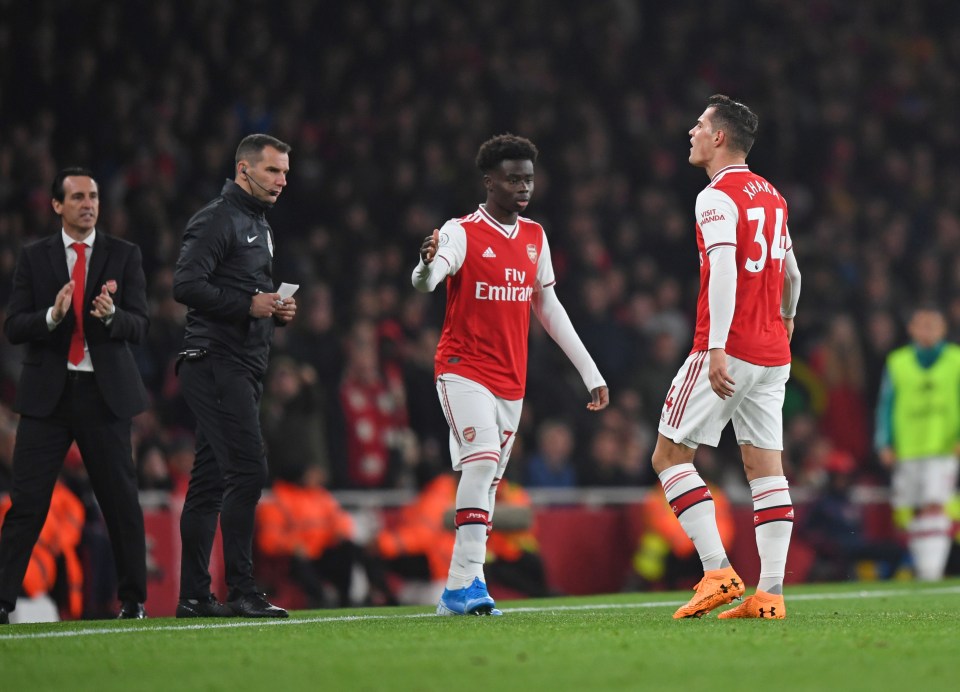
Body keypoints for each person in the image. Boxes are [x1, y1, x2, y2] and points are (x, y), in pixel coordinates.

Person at [412, 133, 609, 616]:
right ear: (489, 181)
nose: (523, 187)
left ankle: (466, 584)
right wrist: (424, 264)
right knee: (480, 463)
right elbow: (428, 281)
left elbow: (549, 308)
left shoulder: (535, 237)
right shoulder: (459, 231)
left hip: (510, 380)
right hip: (462, 369)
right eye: (513, 178)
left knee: (490, 481)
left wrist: (591, 372)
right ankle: (462, 587)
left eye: (529, 179)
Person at [650, 95, 802, 620]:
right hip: (772, 351)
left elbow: (724, 269)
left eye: (699, 125)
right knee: (766, 470)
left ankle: (717, 571)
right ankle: (772, 595)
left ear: (719, 137)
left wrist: (715, 346)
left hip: (730, 346)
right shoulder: (773, 195)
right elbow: (792, 272)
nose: (690, 132)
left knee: (669, 457)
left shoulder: (716, 197)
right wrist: (787, 316)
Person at [0, 167, 150, 624]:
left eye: (94, 196)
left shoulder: (124, 255)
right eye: (78, 196)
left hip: (103, 396)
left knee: (119, 499)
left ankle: (133, 601)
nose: (88, 203)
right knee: (27, 502)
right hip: (49, 397)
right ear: (57, 206)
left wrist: (111, 317)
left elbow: (140, 325)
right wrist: (51, 315)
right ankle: (2, 601)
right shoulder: (34, 258)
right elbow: (13, 327)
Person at [173, 134, 297, 619]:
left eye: (285, 172)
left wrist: (276, 309)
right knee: (248, 470)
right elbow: (185, 284)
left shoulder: (258, 224)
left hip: (240, 364)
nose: (282, 180)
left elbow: (247, 294)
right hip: (214, 360)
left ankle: (194, 596)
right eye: (273, 171)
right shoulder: (217, 218)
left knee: (208, 481)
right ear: (243, 170)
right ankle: (242, 589)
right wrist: (248, 305)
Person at [874, 304, 960, 581]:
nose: (927, 331)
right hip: (907, 448)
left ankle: (930, 571)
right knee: (909, 509)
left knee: (935, 505)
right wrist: (883, 442)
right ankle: (923, 566)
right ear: (911, 329)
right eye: (922, 325)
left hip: (943, 447)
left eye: (933, 325)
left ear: (943, 329)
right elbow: (886, 404)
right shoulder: (897, 362)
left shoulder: (956, 359)